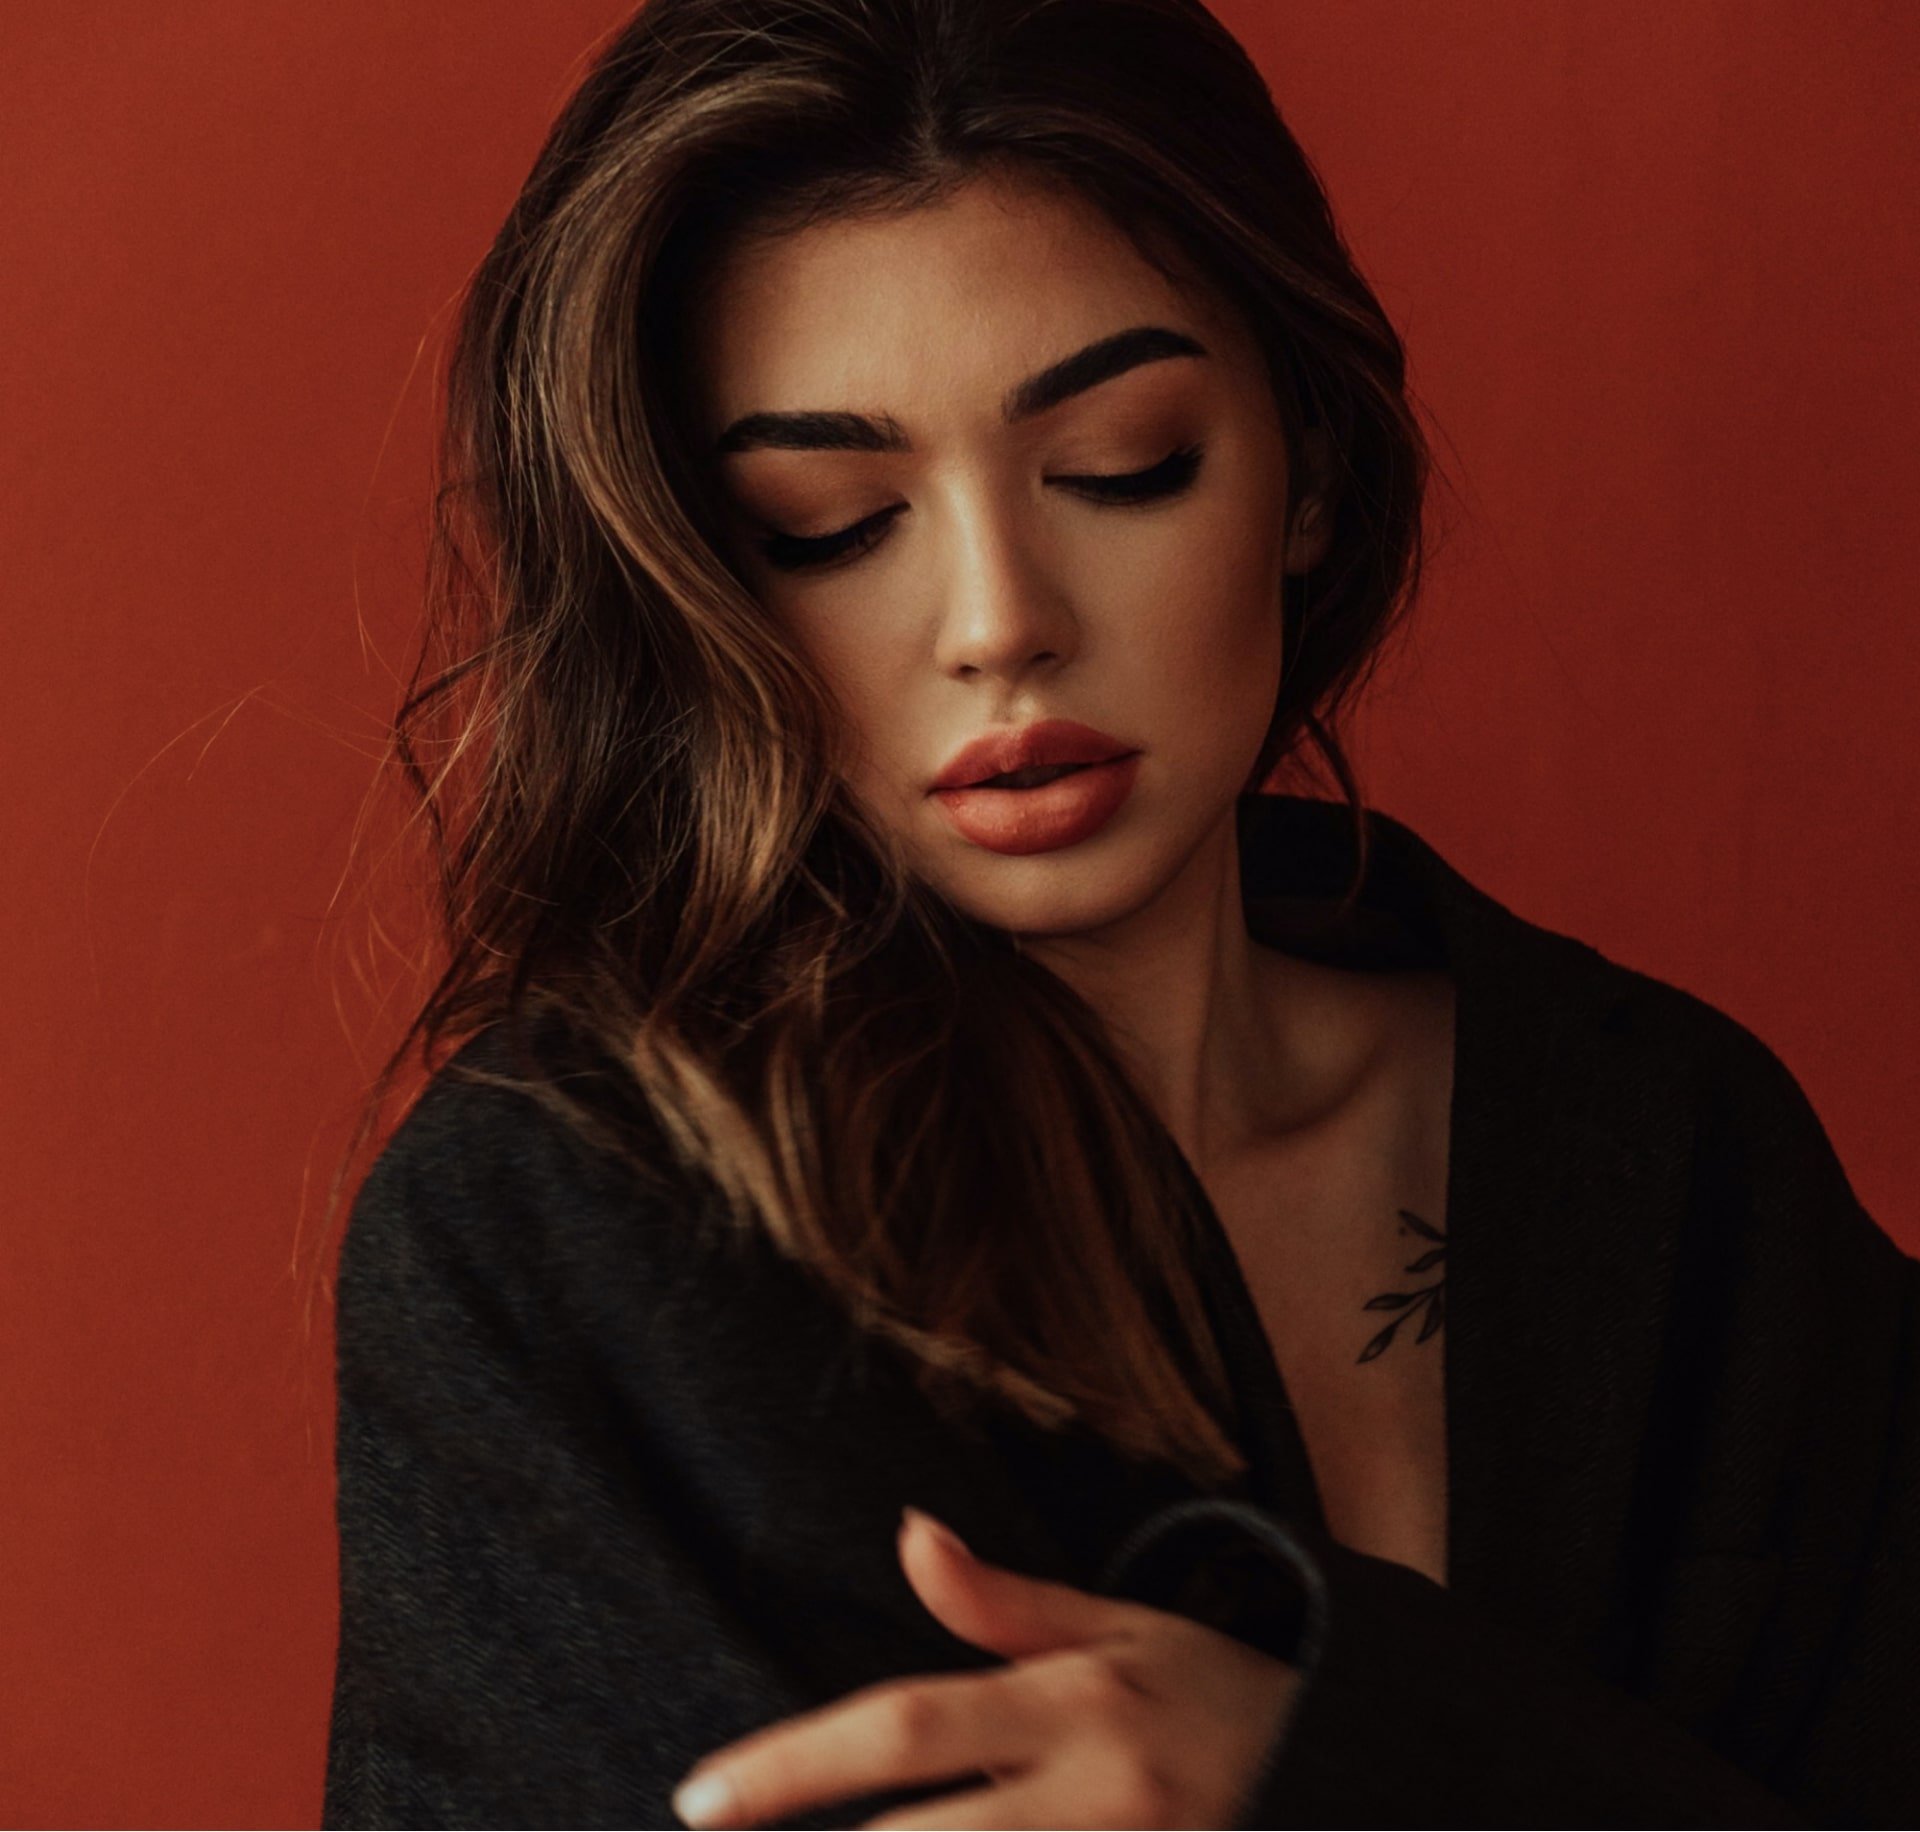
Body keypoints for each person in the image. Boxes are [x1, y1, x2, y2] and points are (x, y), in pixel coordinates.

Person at [319, 0, 1919, 1825]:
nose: (1000, 619)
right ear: (698, 581)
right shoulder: (568, 1231)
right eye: (827, 523)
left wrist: (1334, 1775)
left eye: (1125, 463)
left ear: (1309, 474)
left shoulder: (1676, 1149)